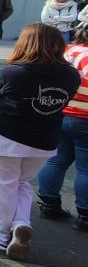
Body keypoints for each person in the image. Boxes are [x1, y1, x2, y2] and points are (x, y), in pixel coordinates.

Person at [0, 23, 79, 259]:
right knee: (21, 184)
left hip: (5, 135)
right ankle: (21, 223)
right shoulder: (70, 73)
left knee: (0, 185)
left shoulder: (14, 72)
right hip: (45, 139)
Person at [37, 24, 88, 232]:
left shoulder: (70, 50)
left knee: (57, 160)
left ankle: (49, 203)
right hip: (85, 116)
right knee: (86, 169)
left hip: (62, 110)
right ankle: (85, 214)